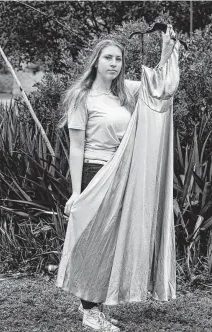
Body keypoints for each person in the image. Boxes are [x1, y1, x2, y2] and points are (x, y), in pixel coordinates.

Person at [57, 24, 179, 331]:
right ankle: (89, 311)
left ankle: (95, 306)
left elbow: (159, 88)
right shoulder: (81, 97)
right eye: (109, 58)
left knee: (111, 241)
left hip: (123, 173)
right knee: (93, 239)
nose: (114, 64)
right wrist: (75, 192)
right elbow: (76, 147)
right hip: (94, 172)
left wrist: (167, 51)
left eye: (119, 59)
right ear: (96, 61)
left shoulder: (127, 92)